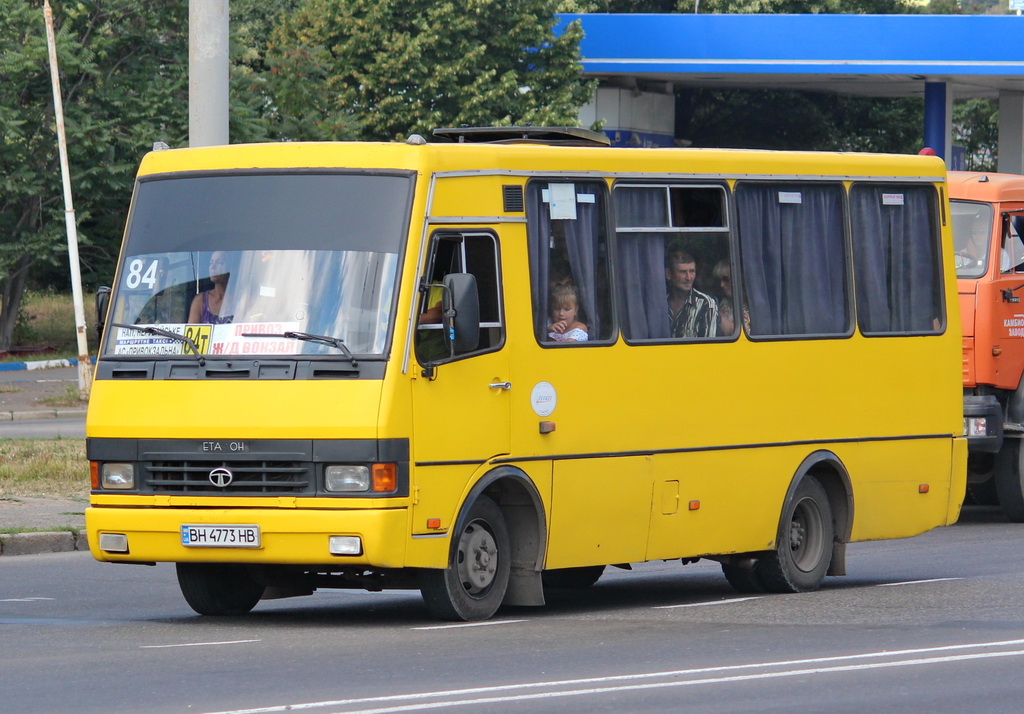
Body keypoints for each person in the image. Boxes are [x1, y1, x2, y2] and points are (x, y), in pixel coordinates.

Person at [665, 247, 717, 338]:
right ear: (669, 274)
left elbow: (709, 346)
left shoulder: (706, 304)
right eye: (682, 272)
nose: (689, 278)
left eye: (692, 271)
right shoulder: (660, 303)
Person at [188, 251, 234, 324]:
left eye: (220, 263)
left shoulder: (239, 300)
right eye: (211, 263)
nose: (213, 267)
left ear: (230, 267)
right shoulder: (200, 301)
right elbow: (191, 333)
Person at [711, 258, 749, 334]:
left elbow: (744, 334)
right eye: (720, 280)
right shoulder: (723, 303)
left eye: (726, 279)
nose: (722, 285)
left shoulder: (753, 305)